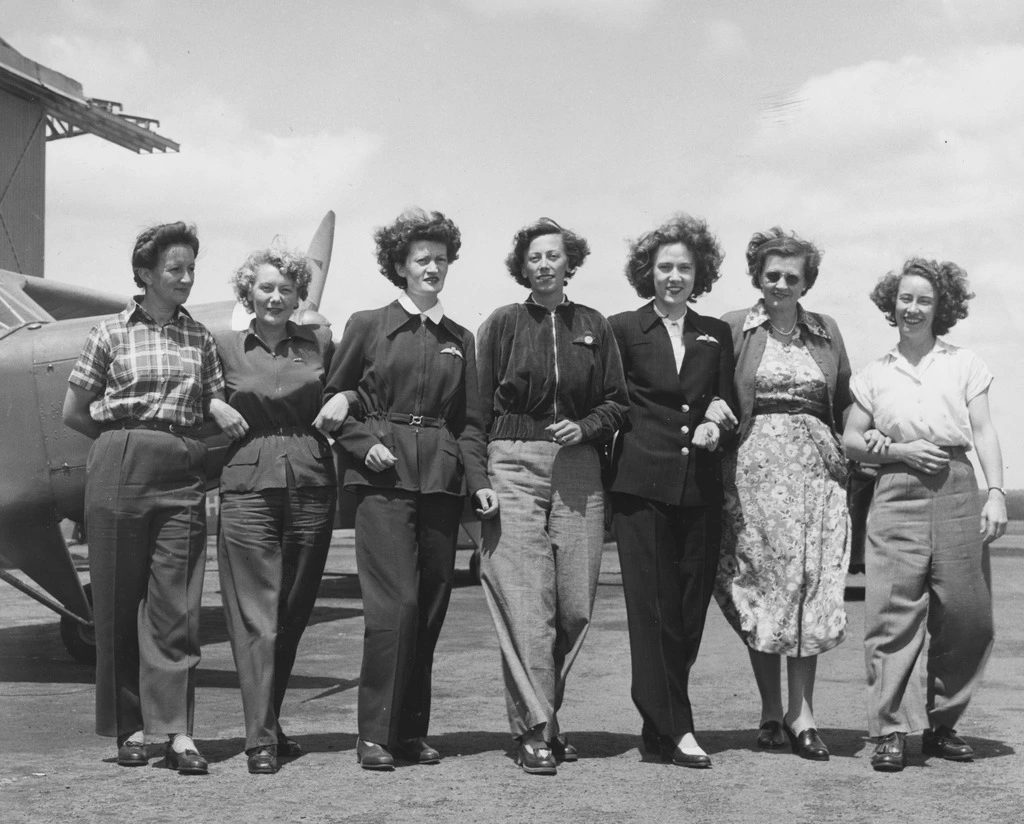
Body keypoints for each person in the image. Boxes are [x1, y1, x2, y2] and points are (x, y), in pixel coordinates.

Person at [319, 208, 498, 771]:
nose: (433, 268)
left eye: (441, 259)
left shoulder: (460, 338)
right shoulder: (368, 324)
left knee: (429, 608)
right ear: (399, 265)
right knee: (394, 607)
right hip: (382, 478)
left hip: (441, 482)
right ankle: (373, 733)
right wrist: (358, 441)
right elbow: (333, 394)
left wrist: (480, 483)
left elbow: (470, 422)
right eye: (422, 259)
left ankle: (409, 734)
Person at [62, 221, 235, 775]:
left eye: (190, 269)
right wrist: (122, 447)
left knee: (177, 604)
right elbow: (74, 411)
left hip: (182, 467)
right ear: (145, 274)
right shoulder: (108, 334)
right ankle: (129, 728)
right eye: (174, 269)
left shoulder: (200, 338)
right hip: (119, 461)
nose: (185, 279)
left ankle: (178, 732)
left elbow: (214, 403)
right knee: (114, 603)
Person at [477, 217, 628, 775]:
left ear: (570, 263)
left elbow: (618, 401)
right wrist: (481, 476)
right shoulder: (501, 323)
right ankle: (536, 729)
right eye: (534, 257)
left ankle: (545, 715)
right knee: (526, 600)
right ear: (523, 266)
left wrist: (587, 428)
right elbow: (478, 411)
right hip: (513, 462)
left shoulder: (594, 325)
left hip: (579, 469)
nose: (543, 265)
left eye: (553, 256)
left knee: (573, 606)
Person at [844, 258, 1006, 773]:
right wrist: (899, 451)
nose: (912, 309)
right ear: (892, 304)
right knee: (892, 615)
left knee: (968, 616)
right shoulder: (875, 373)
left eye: (924, 300)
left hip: (958, 488)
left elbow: (982, 431)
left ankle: (942, 725)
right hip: (896, 492)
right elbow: (851, 440)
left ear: (942, 308)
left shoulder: (964, 363)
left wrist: (996, 491)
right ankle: (889, 730)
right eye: (905, 299)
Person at [712, 227, 852, 761]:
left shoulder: (826, 330)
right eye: (772, 275)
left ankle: (804, 714)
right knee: (762, 588)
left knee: (808, 587)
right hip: (751, 475)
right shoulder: (733, 329)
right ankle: (771, 710)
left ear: (806, 281)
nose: (781, 284)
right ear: (757, 277)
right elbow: (714, 390)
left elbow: (843, 401)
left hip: (818, 478)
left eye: (792, 276)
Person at [607, 215, 737, 769]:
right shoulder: (621, 328)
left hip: (700, 489)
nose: (674, 276)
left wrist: (717, 418)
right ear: (648, 272)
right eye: (664, 267)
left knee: (687, 612)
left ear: (698, 273)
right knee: (651, 611)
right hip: (642, 485)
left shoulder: (716, 333)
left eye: (685, 267)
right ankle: (677, 727)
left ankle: (658, 725)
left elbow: (726, 400)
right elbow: (611, 399)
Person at [212, 248, 339, 775]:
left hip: (310, 482)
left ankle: (269, 719)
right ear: (249, 292)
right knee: (256, 616)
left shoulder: (319, 343)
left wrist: (347, 398)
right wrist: (209, 403)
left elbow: (346, 386)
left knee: (291, 611)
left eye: (287, 289)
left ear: (298, 297)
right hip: (247, 487)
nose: (276, 297)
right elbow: (189, 392)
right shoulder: (221, 345)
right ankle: (259, 739)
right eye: (266, 287)